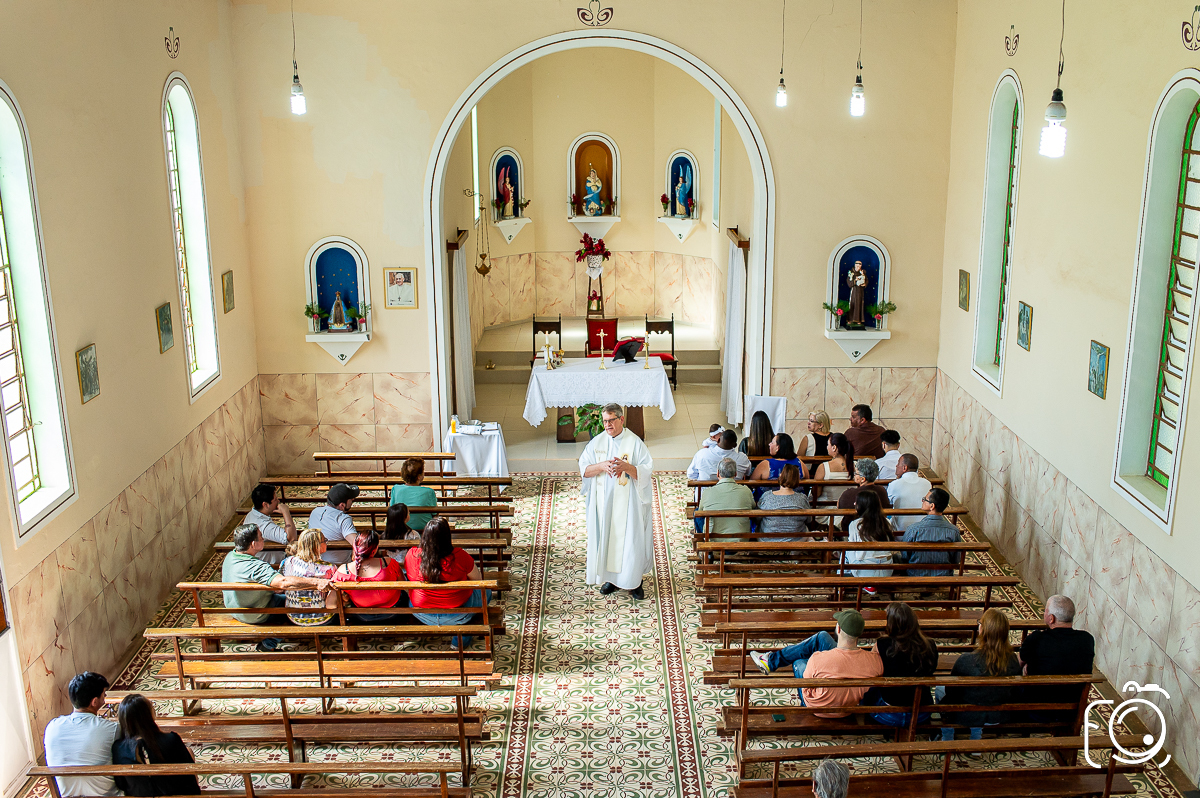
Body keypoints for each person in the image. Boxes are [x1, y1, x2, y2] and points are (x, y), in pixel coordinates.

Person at [579, 403, 654, 600]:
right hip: (605, 504)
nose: (607, 425)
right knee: (607, 538)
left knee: (630, 541)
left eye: (611, 420)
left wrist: (627, 467)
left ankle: (634, 582)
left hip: (629, 506)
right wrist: (601, 466)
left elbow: (646, 472)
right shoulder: (597, 443)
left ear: (621, 419)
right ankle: (611, 580)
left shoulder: (635, 443)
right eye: (605, 421)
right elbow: (584, 469)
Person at [749, 609, 883, 716]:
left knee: (799, 661)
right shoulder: (874, 661)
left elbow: (807, 686)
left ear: (838, 629)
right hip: (849, 709)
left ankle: (771, 661)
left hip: (818, 709)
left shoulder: (818, 658)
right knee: (822, 637)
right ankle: (771, 661)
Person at [221, 524, 330, 650]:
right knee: (295, 605)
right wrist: (316, 582)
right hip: (253, 612)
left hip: (235, 608)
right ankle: (270, 643)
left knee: (286, 598)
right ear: (253, 544)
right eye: (261, 538)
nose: (263, 540)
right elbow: (282, 583)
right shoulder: (257, 567)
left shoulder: (230, 556)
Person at [938, 608, 1022, 745]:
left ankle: (947, 735)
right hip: (999, 715)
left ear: (982, 630)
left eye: (980, 623)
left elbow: (951, 691)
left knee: (939, 689)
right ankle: (976, 737)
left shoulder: (966, 660)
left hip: (968, 715)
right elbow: (1015, 691)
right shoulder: (1012, 660)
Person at [406, 517, 487, 649]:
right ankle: (464, 633)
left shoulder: (412, 555)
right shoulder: (460, 556)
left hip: (422, 613)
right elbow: (478, 581)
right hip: (458, 613)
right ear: (447, 537)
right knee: (486, 592)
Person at [43, 672, 121, 797]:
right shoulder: (111, 728)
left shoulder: (52, 727)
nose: (104, 700)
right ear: (94, 702)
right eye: (103, 696)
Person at [1018, 595, 1096, 715]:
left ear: (1051, 618)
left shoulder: (1036, 638)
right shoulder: (1087, 640)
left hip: (1037, 710)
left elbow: (1018, 664)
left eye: (1045, 611)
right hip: (1072, 711)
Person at [111, 694, 201, 796]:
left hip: (139, 795)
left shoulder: (118, 748)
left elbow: (121, 783)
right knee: (188, 751)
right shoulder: (171, 739)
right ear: (148, 715)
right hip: (173, 793)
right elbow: (189, 778)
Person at [868, 602, 938, 727]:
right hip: (921, 712)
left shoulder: (882, 644)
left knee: (867, 690)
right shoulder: (930, 645)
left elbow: (872, 671)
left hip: (890, 713)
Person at [332, 530, 406, 623]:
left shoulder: (343, 570)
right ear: (375, 549)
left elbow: (331, 604)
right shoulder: (389, 563)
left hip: (362, 615)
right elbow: (404, 585)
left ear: (355, 548)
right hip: (392, 613)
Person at [279, 528, 337, 626]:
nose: (326, 543)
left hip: (294, 616)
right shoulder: (329, 568)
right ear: (316, 546)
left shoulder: (288, 562)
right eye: (324, 541)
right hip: (322, 618)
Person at [898, 488, 961, 576]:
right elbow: (956, 560)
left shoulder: (913, 529)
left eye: (925, 499)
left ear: (932, 506)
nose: (922, 500)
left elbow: (905, 556)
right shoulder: (953, 531)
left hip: (915, 574)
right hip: (943, 576)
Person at [844, 491, 895, 587]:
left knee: (846, 550)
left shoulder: (855, 524)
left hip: (864, 571)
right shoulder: (887, 522)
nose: (854, 504)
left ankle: (842, 577)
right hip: (887, 569)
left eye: (857, 502)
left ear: (862, 505)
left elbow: (851, 548)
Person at [696, 457, 756, 536]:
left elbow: (700, 512)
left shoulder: (707, 492)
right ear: (735, 474)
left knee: (696, 512)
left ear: (718, 474)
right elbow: (753, 507)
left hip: (712, 539)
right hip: (741, 538)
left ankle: (701, 537)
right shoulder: (746, 491)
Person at [243, 484, 296, 566]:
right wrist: (286, 512)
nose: (278, 501)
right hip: (270, 563)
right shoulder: (264, 526)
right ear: (265, 505)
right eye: (275, 499)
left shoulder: (252, 513)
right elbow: (291, 538)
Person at [756, 463, 811, 542]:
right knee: (806, 529)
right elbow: (808, 520)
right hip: (795, 540)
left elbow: (757, 518)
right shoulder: (802, 498)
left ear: (780, 475)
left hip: (767, 540)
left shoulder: (767, 496)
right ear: (797, 480)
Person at [308, 483, 360, 564]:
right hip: (340, 565)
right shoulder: (343, 519)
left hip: (316, 563)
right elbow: (359, 544)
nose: (353, 500)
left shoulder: (315, 512)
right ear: (342, 505)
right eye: (351, 499)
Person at [836, 458, 892, 533]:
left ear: (863, 479)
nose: (854, 475)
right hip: (878, 529)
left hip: (852, 530)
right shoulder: (882, 490)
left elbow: (839, 507)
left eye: (856, 473)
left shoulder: (850, 493)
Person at [811, 433, 854, 522]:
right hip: (849, 509)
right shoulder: (855, 466)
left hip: (827, 511)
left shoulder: (823, 467)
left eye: (828, 444)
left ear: (834, 447)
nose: (827, 447)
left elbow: (816, 493)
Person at [886, 454, 931, 534]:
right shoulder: (927, 483)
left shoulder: (894, 484)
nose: (896, 466)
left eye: (898, 463)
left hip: (900, 534)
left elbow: (888, 505)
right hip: (923, 533)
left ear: (904, 468)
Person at [390, 459, 438, 533]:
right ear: (419, 477)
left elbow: (392, 509)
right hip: (424, 531)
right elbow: (435, 514)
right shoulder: (429, 492)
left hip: (401, 531)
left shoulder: (396, 489)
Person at [800, 411, 832, 478]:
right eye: (809, 420)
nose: (808, 423)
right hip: (830, 475)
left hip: (812, 476)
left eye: (811, 421)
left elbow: (799, 458)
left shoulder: (807, 438)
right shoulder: (834, 437)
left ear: (820, 425)